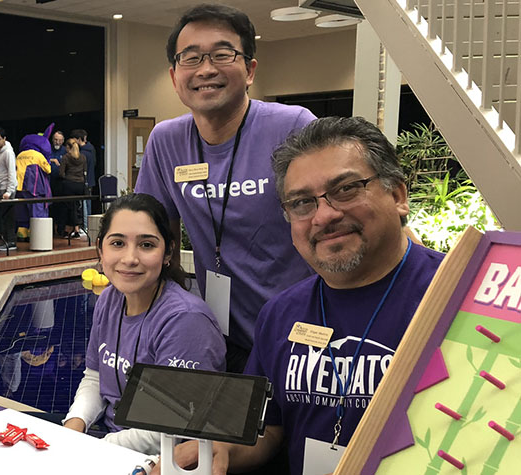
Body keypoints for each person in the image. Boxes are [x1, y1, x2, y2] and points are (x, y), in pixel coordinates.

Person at [158, 117, 445, 475]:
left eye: (346, 189)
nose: (323, 215)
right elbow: (266, 428)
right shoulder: (281, 314)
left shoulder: (456, 299)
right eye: (302, 203)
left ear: (398, 195)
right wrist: (220, 451)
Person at [134, 4, 317, 372]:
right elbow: (151, 234)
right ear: (174, 76)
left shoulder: (293, 127)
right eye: (191, 58)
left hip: (302, 333)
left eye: (222, 54)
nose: (206, 69)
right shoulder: (166, 141)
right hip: (222, 335)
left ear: (249, 70)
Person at [63, 193, 225, 455]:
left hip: (164, 459)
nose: (130, 258)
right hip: (108, 442)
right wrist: (73, 426)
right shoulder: (108, 300)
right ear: (100, 249)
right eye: (117, 243)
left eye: (146, 245)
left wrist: (88, 449)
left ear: (168, 252)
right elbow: (95, 376)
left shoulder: (186, 321)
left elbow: (171, 426)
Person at [0, 127, 18, 252]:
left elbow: (12, 172)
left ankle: (11, 241)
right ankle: (6, 240)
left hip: (7, 189)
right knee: (3, 218)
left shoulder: (8, 153)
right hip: (0, 187)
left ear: (4, 139)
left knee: (8, 218)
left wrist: (9, 191)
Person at [57, 138, 87, 238]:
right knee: (77, 207)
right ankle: (77, 229)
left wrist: (67, 178)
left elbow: (61, 173)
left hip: (69, 185)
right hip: (80, 185)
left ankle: (66, 230)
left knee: (67, 208)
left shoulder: (66, 157)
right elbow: (85, 171)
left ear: (68, 147)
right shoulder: (83, 157)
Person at [68, 128, 96, 230]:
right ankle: (88, 227)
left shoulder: (82, 154)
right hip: (90, 180)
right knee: (87, 205)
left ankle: (85, 228)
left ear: (79, 139)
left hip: (83, 181)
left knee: (83, 206)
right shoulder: (92, 149)